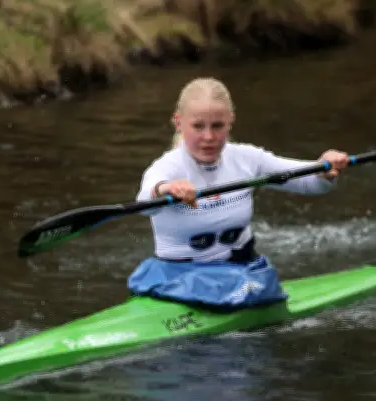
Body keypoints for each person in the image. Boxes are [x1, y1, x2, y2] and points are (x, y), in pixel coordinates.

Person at [127, 77, 350, 311]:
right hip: (178, 277)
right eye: (198, 126)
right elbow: (145, 203)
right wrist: (165, 189)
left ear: (230, 121)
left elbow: (309, 183)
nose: (208, 137)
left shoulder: (247, 159)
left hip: (243, 271)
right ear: (178, 123)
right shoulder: (167, 167)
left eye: (217, 126)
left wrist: (324, 170)